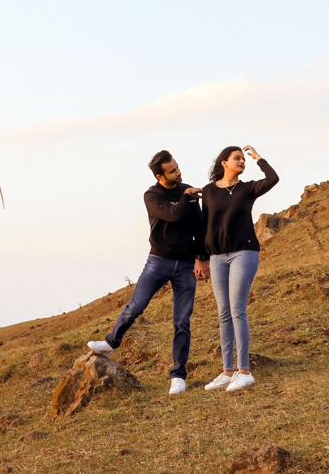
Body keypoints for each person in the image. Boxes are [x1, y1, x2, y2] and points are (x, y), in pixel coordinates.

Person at [87, 150, 209, 395]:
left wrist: (200, 258)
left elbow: (200, 228)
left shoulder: (189, 192)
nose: (178, 171)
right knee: (136, 306)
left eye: (177, 166)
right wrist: (187, 196)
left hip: (186, 265)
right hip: (159, 261)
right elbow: (174, 215)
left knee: (182, 321)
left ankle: (178, 376)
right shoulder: (152, 195)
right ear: (159, 175)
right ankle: (111, 343)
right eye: (172, 170)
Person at [200, 145, 278, 393]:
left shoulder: (247, 188)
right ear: (224, 162)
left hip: (243, 253)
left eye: (244, 159)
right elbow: (205, 226)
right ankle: (227, 372)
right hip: (216, 257)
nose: (241, 161)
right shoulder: (209, 191)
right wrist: (199, 258)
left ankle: (244, 372)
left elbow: (273, 179)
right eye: (237, 158)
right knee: (223, 314)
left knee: (237, 310)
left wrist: (259, 158)